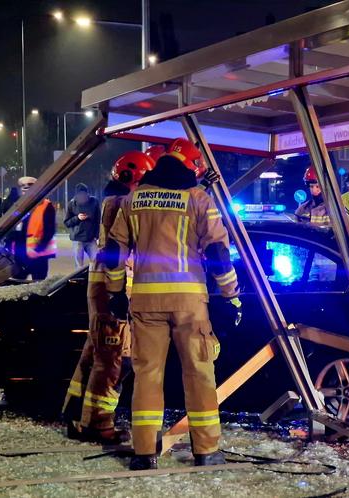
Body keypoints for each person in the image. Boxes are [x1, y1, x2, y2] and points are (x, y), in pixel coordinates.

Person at [104, 138, 242, 471]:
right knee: (199, 374)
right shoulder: (199, 200)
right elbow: (219, 255)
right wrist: (231, 295)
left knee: (147, 376)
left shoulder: (134, 200)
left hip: (145, 301)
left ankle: (144, 453)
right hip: (189, 303)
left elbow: (113, 250)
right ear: (190, 165)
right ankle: (206, 451)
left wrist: (115, 291)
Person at [62, 151, 155, 444]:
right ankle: (97, 425)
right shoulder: (122, 204)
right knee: (115, 360)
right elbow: (124, 252)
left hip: (102, 286)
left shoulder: (112, 202)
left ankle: (76, 411)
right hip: (112, 289)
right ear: (134, 179)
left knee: (96, 354)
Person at [7, 176, 57, 280]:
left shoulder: (46, 206)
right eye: (22, 186)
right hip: (20, 255)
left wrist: (40, 248)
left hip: (38, 256)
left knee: (38, 287)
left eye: (30, 186)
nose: (25, 188)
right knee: (17, 285)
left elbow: (49, 230)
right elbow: (12, 228)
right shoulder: (18, 207)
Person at [64, 183, 101, 269]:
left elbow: (98, 220)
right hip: (77, 240)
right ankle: (79, 281)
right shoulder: (72, 204)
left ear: (88, 194)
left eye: (84, 194)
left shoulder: (94, 202)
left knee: (97, 262)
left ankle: (94, 281)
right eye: (80, 194)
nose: (83, 196)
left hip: (91, 239)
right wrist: (77, 218)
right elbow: (67, 222)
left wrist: (97, 235)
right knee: (79, 266)